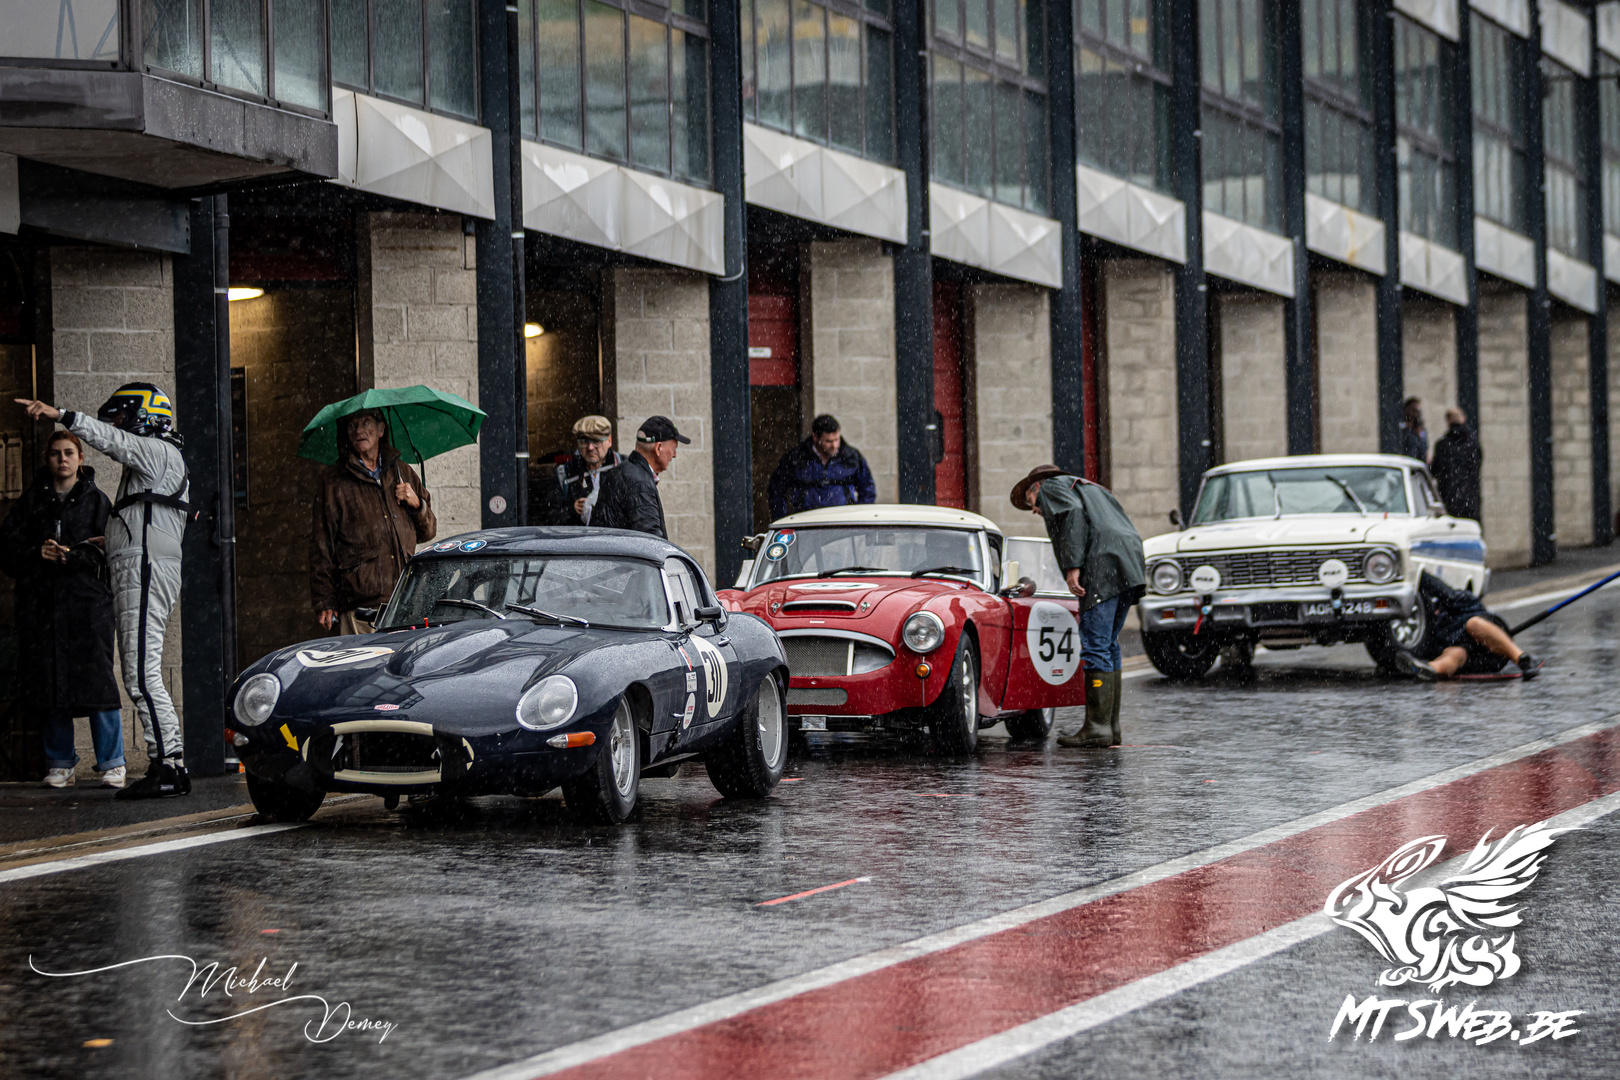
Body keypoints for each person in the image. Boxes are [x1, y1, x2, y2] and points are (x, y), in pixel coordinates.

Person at [17, 384, 191, 799]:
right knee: (141, 673)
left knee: (142, 675)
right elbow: (145, 519)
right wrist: (107, 542)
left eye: (125, 416)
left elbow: (113, 442)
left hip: (146, 570)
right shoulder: (159, 459)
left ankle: (167, 765)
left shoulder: (158, 451)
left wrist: (62, 415)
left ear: (143, 416)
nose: (120, 424)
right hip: (142, 567)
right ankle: (171, 763)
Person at [0, 431, 124, 789]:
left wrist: (77, 555)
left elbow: (115, 552)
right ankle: (60, 762)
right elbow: (6, 551)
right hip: (43, 609)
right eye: (55, 453)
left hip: (88, 607)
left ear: (81, 458)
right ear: (48, 459)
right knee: (50, 683)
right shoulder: (31, 503)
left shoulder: (97, 502)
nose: (62, 459)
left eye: (69, 452)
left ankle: (113, 762)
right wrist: (37, 553)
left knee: (99, 682)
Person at [1011, 464, 1147, 748]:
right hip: (1128, 560)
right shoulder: (1091, 488)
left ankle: (1097, 727)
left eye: (1031, 501)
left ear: (1037, 487)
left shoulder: (1052, 486)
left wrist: (1073, 566)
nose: (1034, 509)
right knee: (1109, 644)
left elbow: (1071, 513)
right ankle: (1110, 727)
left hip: (1102, 563)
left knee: (1096, 645)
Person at [311, 409, 436, 636]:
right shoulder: (334, 482)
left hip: (404, 603)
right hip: (360, 607)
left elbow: (428, 531)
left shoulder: (402, 472)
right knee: (362, 661)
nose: (359, 430)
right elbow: (321, 544)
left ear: (381, 429)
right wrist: (324, 600)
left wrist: (417, 503)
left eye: (366, 423)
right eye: (352, 426)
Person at [1394, 571, 1541, 681]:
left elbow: (1441, 589)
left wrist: (1411, 571)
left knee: (1474, 624)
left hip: (1491, 640)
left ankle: (1523, 659)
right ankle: (1430, 669)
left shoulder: (1459, 601)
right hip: (1479, 659)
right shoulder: (1428, 628)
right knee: (1454, 653)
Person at [594, 415, 689, 538]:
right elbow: (650, 540)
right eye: (674, 448)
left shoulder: (623, 472)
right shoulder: (640, 483)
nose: (674, 455)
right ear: (658, 448)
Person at [767, 414, 877, 520]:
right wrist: (782, 519)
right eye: (828, 441)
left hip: (843, 521)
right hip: (806, 521)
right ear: (815, 437)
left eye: (836, 439)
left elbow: (868, 489)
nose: (834, 445)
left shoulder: (851, 457)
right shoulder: (796, 458)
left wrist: (857, 516)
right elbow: (776, 489)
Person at [532, 415, 622, 526]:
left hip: (614, 536)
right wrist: (571, 510)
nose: (590, 448)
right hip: (580, 536)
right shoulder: (565, 473)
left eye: (596, 441)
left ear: (609, 440)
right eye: (584, 442)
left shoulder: (622, 467)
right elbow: (550, 516)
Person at [1429, 407, 1482, 520]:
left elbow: (1434, 471)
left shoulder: (1443, 445)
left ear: (1448, 421)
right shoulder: (1473, 444)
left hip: (1449, 500)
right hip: (1470, 501)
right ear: (1463, 419)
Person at [1400, 397, 1428, 463]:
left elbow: (1424, 448)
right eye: (1413, 410)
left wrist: (1419, 434)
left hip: (1418, 463)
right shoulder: (1401, 428)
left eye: (1417, 411)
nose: (1415, 414)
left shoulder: (1421, 430)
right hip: (1405, 462)